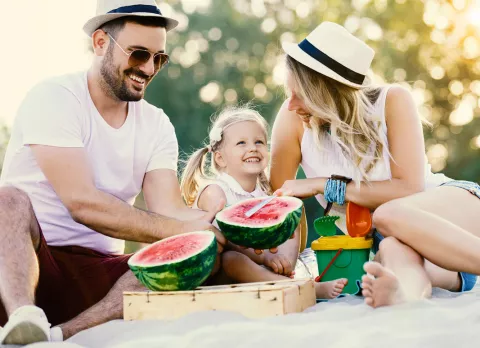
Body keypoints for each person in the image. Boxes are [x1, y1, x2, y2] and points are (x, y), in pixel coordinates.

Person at [0, 1, 226, 345]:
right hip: (24, 264)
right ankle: (22, 316)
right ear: (100, 43)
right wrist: (183, 228)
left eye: (159, 58)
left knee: (202, 258)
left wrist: (217, 220)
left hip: (101, 278)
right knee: (7, 200)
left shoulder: (156, 124)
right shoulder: (55, 97)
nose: (149, 68)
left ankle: (63, 334)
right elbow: (82, 203)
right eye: (138, 54)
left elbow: (170, 212)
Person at [269, 21, 480, 308]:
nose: (291, 104)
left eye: (300, 94)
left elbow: (409, 189)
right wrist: (280, 262)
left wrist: (323, 185)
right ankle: (404, 295)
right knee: (390, 257)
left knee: (388, 214)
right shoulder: (292, 120)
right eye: (288, 93)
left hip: (452, 214)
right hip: (420, 248)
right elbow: (281, 203)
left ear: (330, 91)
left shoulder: (392, 100)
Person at [180, 105, 348, 299]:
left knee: (288, 217)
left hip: (262, 268)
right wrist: (267, 257)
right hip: (217, 272)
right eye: (241, 143)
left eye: (259, 142)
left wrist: (278, 258)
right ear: (220, 158)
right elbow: (225, 240)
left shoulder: (266, 195)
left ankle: (284, 272)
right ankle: (301, 288)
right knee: (232, 259)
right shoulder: (215, 191)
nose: (253, 148)